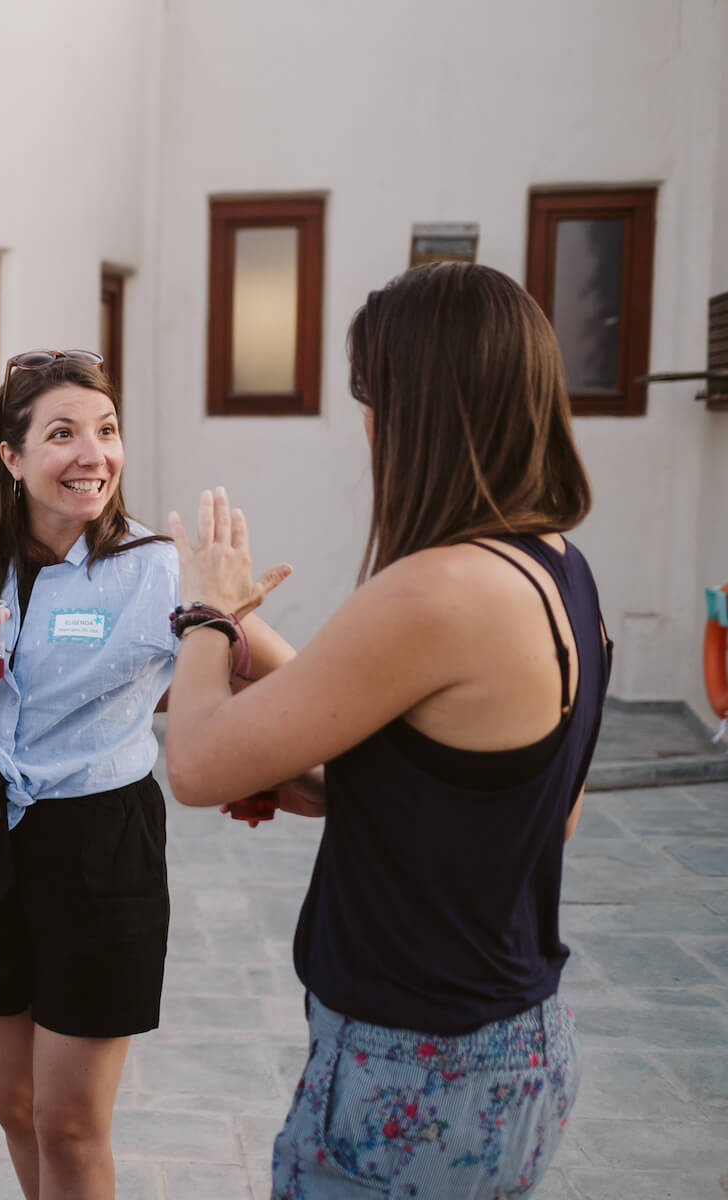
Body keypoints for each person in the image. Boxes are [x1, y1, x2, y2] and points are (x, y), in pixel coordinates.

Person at [161, 263, 606, 1199]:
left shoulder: (433, 590)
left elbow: (196, 763)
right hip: (516, 1048)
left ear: (418, 410)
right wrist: (333, 781)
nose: (364, 426)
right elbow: (524, 812)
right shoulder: (561, 572)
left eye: (369, 396)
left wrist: (203, 614)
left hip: (414, 1070)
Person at [0, 348, 290, 1199]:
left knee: (71, 1126)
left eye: (106, 431)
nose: (93, 455)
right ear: (11, 455)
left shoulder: (155, 571)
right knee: (14, 1105)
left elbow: (292, 683)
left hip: (98, 846)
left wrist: (221, 628)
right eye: (63, 433)